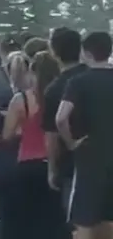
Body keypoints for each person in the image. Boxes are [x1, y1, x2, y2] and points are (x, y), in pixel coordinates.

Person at [0, 51, 67, 239]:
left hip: (27, 165)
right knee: (53, 221)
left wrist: (23, 129)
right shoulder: (61, 97)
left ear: (32, 73)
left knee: (27, 222)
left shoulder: (21, 100)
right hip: (54, 163)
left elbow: (7, 135)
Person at [57, 31, 113, 239]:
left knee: (84, 219)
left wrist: (71, 143)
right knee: (109, 218)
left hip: (90, 156)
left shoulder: (78, 82)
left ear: (85, 53)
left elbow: (61, 118)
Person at [41, 27, 85, 205]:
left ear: (54, 53)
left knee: (76, 220)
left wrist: (52, 169)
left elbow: (51, 135)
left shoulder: (54, 89)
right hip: (102, 157)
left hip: (70, 163)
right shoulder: (97, 77)